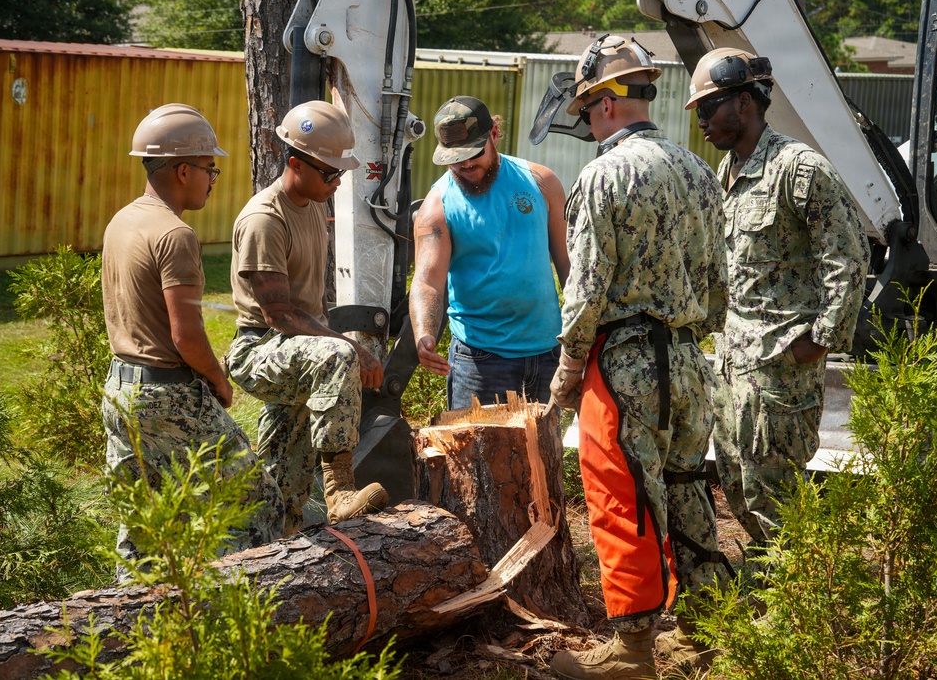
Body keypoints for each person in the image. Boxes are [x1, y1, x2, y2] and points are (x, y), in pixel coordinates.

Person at [547, 35, 731, 679]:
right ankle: (713, 632)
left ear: (601, 102)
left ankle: (631, 652)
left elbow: (586, 286)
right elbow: (717, 283)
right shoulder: (697, 169)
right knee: (686, 489)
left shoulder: (602, 175)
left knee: (621, 496)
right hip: (686, 360)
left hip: (624, 360)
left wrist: (568, 370)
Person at [686, 48, 870, 549]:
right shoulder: (727, 174)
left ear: (744, 102)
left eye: (708, 107)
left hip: (781, 371)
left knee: (777, 499)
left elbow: (848, 259)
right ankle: (768, 593)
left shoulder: (799, 169)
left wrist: (818, 341)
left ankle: (790, 611)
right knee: (739, 488)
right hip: (733, 366)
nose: (701, 120)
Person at [102, 103, 284, 572]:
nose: (211, 178)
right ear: (183, 170)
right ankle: (238, 610)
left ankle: (127, 625)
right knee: (254, 501)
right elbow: (187, 335)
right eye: (209, 169)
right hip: (168, 395)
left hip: (120, 389)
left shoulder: (122, 221)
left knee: (143, 525)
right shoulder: (175, 235)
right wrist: (219, 380)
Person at [225, 100, 389, 536]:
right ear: (295, 164)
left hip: (298, 352)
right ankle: (338, 493)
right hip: (259, 349)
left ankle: (279, 558)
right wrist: (350, 347)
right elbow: (278, 314)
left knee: (283, 486)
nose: (337, 181)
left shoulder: (314, 202)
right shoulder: (265, 219)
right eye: (329, 172)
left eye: (341, 172)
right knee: (337, 355)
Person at [410, 96, 570, 410]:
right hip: (480, 363)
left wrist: (582, 334)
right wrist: (424, 334)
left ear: (494, 134)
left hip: (548, 353)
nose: (466, 165)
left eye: (474, 154)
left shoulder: (542, 183)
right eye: (455, 159)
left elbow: (567, 263)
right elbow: (427, 281)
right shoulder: (437, 206)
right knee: (477, 457)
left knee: (542, 456)